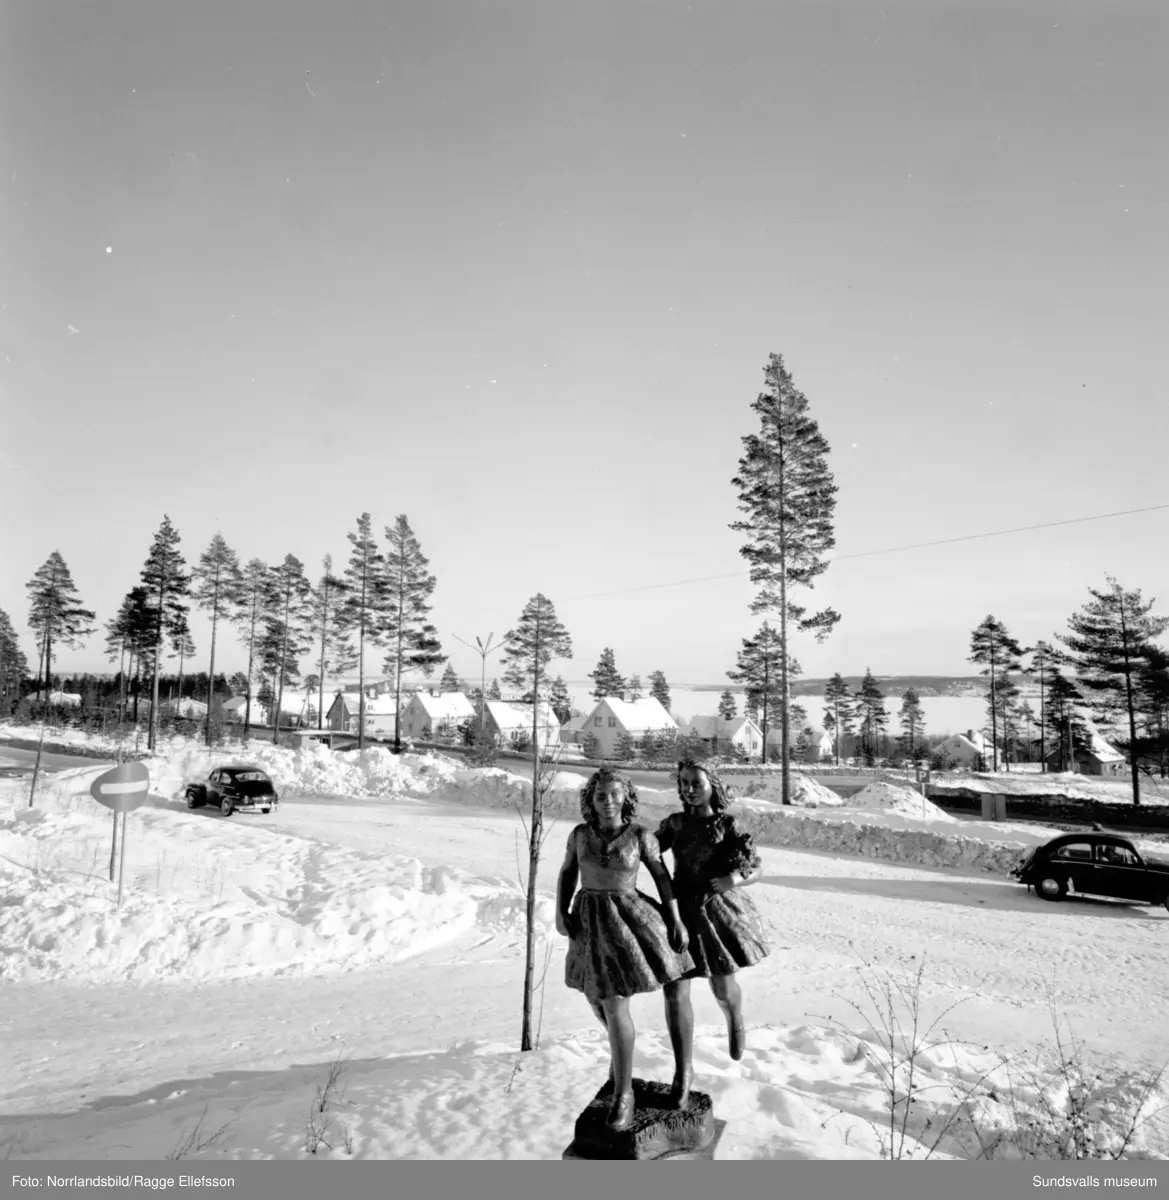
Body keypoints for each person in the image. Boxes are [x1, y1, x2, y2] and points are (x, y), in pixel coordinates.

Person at [557, 767, 693, 1131]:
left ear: (626, 798)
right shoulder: (580, 835)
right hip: (589, 923)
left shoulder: (640, 836)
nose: (608, 802)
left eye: (615, 794)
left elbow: (662, 879)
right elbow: (568, 871)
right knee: (595, 999)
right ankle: (622, 1059)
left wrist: (676, 920)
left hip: (629, 921)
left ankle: (624, 1095)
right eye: (600, 795)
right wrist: (561, 910)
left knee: (615, 1002)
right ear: (591, 799)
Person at [658, 758, 770, 1108]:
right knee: (675, 994)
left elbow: (756, 867)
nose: (689, 789)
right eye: (684, 782)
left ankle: (734, 1016)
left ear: (712, 785)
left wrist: (732, 880)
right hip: (679, 913)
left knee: (722, 987)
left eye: (696, 782)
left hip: (714, 912)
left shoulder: (726, 824)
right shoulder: (674, 824)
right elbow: (645, 852)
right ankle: (683, 1072)